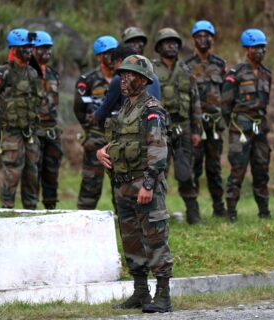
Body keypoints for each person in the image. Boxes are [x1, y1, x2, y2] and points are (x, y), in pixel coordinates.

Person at [97, 54, 173, 313]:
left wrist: (149, 185)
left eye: (129, 75)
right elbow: (121, 142)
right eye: (121, 75)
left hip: (144, 184)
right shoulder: (125, 109)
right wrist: (102, 151)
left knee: (155, 238)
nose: (123, 79)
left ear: (142, 80)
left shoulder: (152, 109)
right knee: (131, 241)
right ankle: (141, 292)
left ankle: (163, 295)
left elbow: (158, 148)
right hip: (123, 185)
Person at [0, 28, 40, 209]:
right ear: (14, 49)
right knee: (12, 171)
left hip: (29, 132)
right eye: (24, 47)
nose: (29, 50)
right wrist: (2, 119)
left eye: (30, 47)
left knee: (32, 172)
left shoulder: (32, 73)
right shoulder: (2, 73)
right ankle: (7, 209)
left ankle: (30, 211)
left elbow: (37, 100)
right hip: (11, 132)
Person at [153, 27, 203, 224]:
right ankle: (157, 214)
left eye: (175, 42)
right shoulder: (151, 70)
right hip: (158, 127)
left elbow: (195, 101)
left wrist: (197, 130)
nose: (172, 46)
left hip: (183, 127)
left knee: (185, 173)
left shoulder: (186, 70)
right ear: (159, 47)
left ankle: (194, 214)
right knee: (157, 172)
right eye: (167, 42)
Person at [222, 28, 272, 223]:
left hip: (261, 130)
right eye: (255, 48)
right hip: (239, 130)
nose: (259, 51)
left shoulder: (267, 74)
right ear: (246, 49)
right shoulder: (236, 74)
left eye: (262, 47)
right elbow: (225, 105)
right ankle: (231, 212)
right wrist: (234, 126)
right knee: (237, 170)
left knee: (261, 169)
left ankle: (264, 212)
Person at [185, 20, 228, 218]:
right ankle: (193, 211)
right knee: (193, 167)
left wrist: (223, 120)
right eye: (199, 36)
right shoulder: (185, 66)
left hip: (214, 126)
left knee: (214, 168)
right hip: (195, 126)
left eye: (207, 36)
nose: (203, 39)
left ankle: (219, 208)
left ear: (212, 39)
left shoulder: (220, 64)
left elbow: (227, 96)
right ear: (194, 40)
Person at [73, 35, 118, 210]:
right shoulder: (88, 80)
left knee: (121, 182)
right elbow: (79, 109)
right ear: (99, 57)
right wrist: (90, 129)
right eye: (107, 54)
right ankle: (84, 218)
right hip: (96, 138)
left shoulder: (125, 78)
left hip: (119, 138)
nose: (112, 57)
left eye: (114, 53)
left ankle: (124, 218)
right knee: (91, 182)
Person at [29, 30, 62, 210]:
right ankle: (31, 209)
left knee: (52, 172)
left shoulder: (53, 74)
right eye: (42, 48)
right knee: (33, 173)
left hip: (52, 131)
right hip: (34, 130)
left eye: (49, 48)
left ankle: (51, 208)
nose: (46, 52)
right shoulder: (27, 72)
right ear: (33, 50)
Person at [93, 44, 161, 126]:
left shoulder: (119, 79)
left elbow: (103, 112)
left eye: (113, 64)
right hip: (156, 122)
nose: (114, 68)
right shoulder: (153, 76)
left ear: (119, 61)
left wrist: (93, 116)